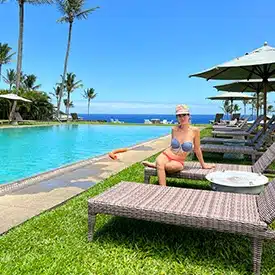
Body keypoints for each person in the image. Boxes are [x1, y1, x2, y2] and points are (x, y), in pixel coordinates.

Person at [142, 104, 215, 186]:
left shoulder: (195, 131)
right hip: (167, 154)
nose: (182, 118)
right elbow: (172, 145)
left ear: (189, 116)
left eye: (184, 115)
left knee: (170, 167)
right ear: (177, 118)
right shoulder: (174, 129)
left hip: (179, 160)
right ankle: (162, 189)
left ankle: (155, 165)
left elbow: (197, 149)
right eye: (179, 116)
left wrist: (203, 165)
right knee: (160, 162)